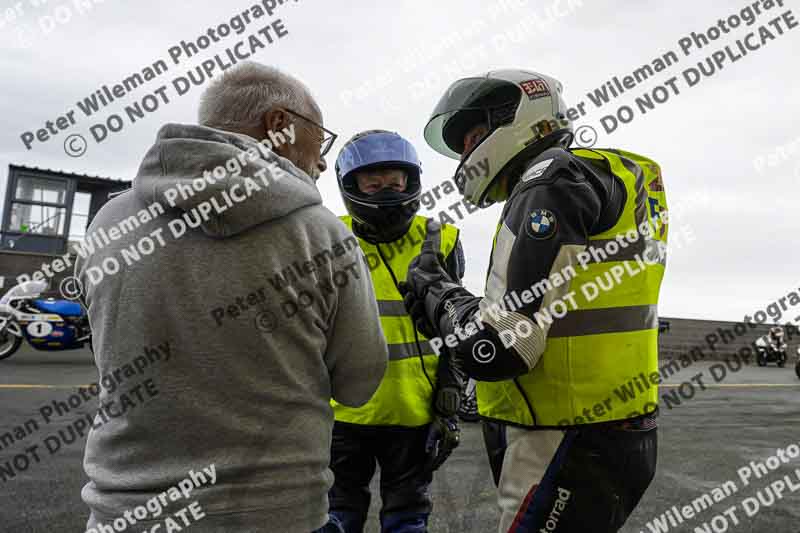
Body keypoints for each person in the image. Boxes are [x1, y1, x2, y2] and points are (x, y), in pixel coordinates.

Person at [75, 62, 388, 533]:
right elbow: (360, 384)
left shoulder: (108, 225)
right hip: (277, 514)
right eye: (319, 139)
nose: (322, 161)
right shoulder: (322, 235)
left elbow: (108, 353)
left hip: (125, 514)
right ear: (279, 125)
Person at [400, 69, 669, 532]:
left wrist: (436, 292)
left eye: (473, 138)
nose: (466, 156)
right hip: (618, 426)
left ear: (519, 115)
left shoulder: (550, 180)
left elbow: (502, 347)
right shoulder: (619, 172)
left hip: (561, 436)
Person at [329, 130, 465, 532]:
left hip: (415, 411)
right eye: (373, 181)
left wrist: (450, 399)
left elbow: (458, 326)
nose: (386, 190)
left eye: (395, 181)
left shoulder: (440, 238)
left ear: (411, 181)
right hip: (342, 415)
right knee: (337, 515)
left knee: (407, 517)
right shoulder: (327, 236)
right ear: (352, 185)